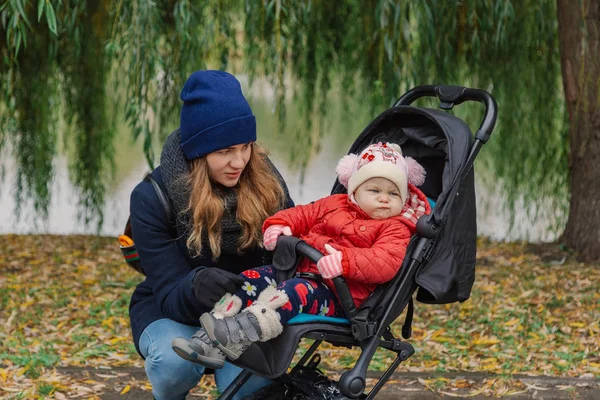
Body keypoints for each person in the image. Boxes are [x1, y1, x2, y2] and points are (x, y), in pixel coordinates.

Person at [172, 142, 431, 369]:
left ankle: (238, 336)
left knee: (290, 292)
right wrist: (279, 225)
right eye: (375, 191)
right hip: (301, 270)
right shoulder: (335, 205)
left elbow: (385, 263)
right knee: (251, 278)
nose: (384, 199)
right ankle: (210, 337)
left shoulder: (396, 228)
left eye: (393, 193)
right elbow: (302, 213)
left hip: (340, 296)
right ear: (355, 191)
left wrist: (344, 262)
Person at [128, 70, 294, 400]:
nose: (239, 162)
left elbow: (289, 252)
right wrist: (195, 285)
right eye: (225, 151)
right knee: (173, 365)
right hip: (172, 308)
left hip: (248, 312)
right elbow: (168, 291)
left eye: (246, 146)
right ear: (198, 152)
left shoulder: (265, 181)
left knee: (250, 387)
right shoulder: (152, 196)